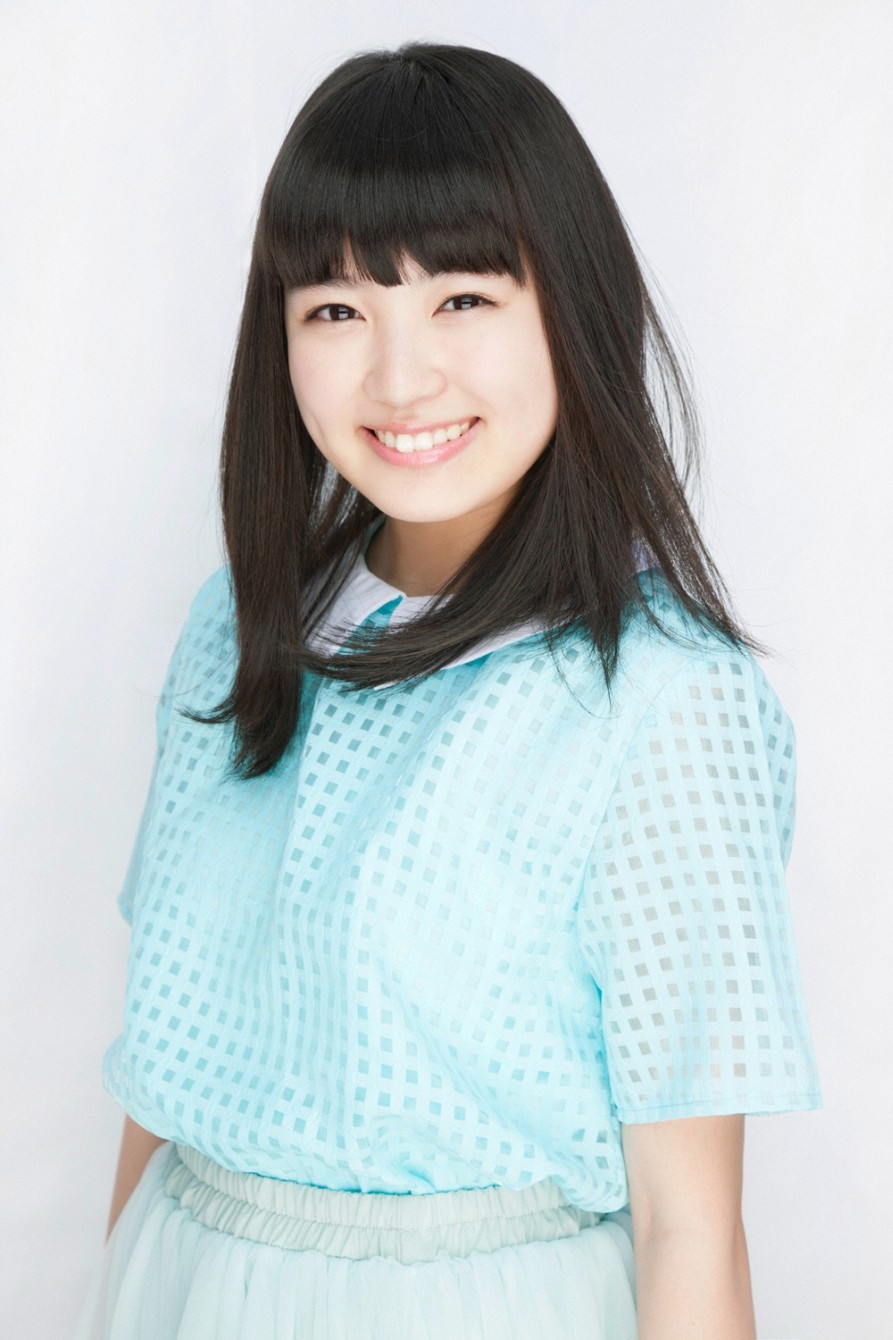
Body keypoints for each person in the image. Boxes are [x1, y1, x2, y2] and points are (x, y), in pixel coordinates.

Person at [74, 40, 822, 1340]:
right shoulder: (238, 627)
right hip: (181, 1282)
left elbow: (689, 1224)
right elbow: (163, 1063)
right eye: (336, 310)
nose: (399, 378)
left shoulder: (659, 700)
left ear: (571, 306)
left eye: (463, 298)